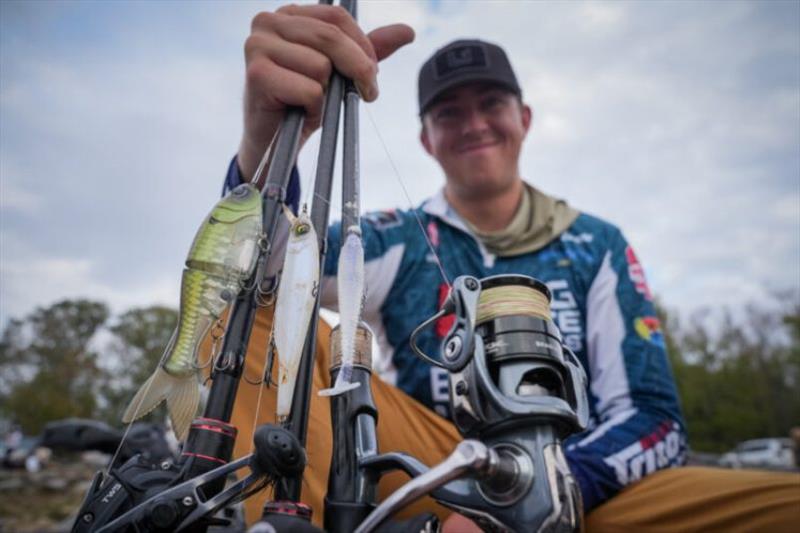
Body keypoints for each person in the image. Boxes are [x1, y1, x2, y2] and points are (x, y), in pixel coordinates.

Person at [214, 4, 799, 531]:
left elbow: (654, 418)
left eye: (491, 103)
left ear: (524, 117)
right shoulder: (391, 236)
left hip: (587, 485)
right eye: (449, 113)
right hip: (433, 474)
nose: (473, 124)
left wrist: (548, 488)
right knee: (246, 325)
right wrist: (269, 140)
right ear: (425, 139)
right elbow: (257, 278)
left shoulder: (596, 243)